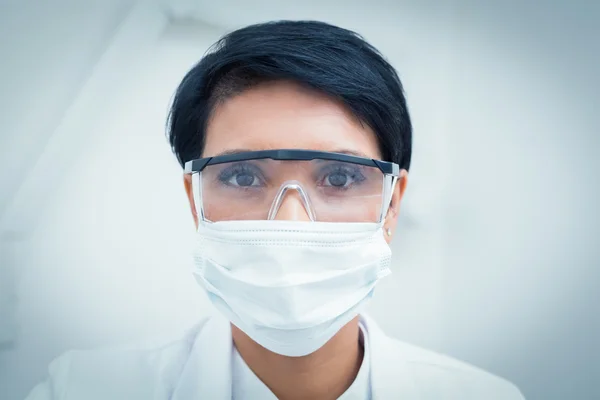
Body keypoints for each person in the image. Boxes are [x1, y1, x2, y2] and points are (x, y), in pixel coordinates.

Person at [26, 20, 524, 400]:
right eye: (243, 177)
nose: (290, 225)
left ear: (391, 204)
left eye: (340, 177)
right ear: (195, 201)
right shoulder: (81, 389)